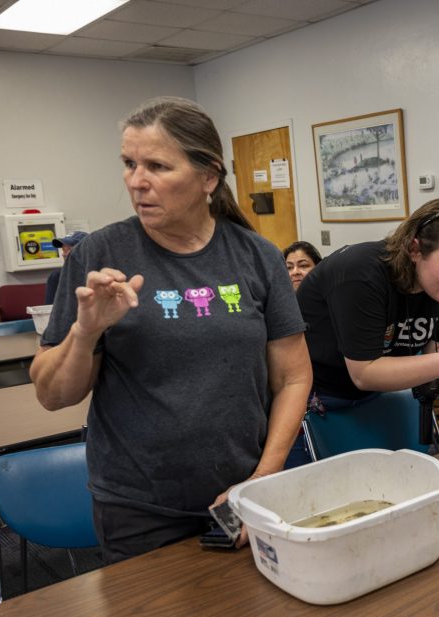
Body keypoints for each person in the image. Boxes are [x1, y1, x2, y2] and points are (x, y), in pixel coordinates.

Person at [30, 96, 311, 563]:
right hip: (138, 505)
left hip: (241, 492)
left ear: (208, 177)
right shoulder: (99, 255)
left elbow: (293, 378)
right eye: (129, 164)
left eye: (157, 166)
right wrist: (86, 332)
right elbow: (53, 395)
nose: (137, 182)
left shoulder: (258, 256)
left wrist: (263, 479)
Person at [296, 198, 439, 409]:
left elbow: (436, 348)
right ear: (415, 250)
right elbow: (365, 373)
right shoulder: (360, 273)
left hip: (379, 394)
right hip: (318, 395)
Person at [44, 231, 89, 304]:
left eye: (69, 249)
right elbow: (49, 309)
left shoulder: (100, 275)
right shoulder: (57, 276)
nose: (64, 254)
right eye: (63, 250)